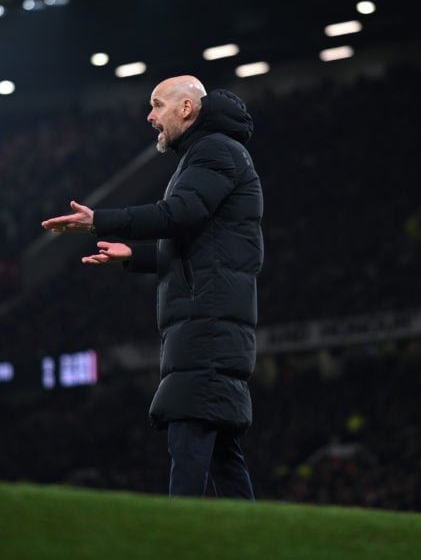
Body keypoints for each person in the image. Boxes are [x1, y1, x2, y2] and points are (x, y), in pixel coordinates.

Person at [41, 74, 264, 499]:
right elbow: (202, 243)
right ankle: (250, 540)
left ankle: (177, 537)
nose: (150, 115)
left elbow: (178, 214)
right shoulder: (208, 153)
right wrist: (136, 255)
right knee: (220, 453)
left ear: (186, 108)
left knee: (190, 435)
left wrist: (98, 220)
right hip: (210, 321)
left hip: (208, 325)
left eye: (157, 105)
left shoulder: (214, 150)